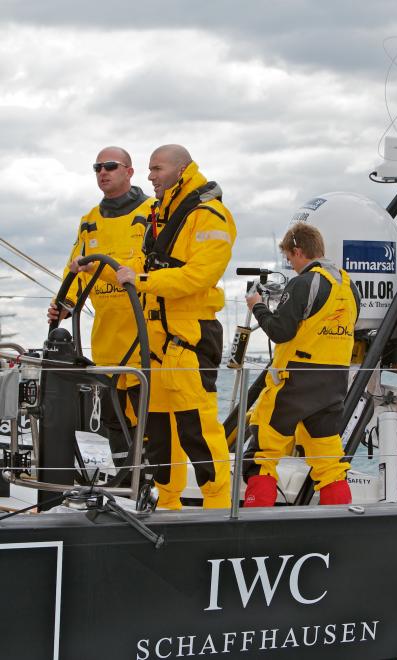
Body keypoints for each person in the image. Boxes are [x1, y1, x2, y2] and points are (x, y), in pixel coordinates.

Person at [116, 144, 236, 509]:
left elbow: (199, 277)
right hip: (155, 340)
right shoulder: (161, 215)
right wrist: (94, 268)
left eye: (156, 168)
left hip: (190, 335)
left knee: (196, 429)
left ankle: (219, 509)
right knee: (158, 431)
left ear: (181, 170)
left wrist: (144, 281)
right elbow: (136, 263)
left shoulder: (209, 216)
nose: (150, 176)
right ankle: (167, 505)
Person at [48, 146, 155, 473]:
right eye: (97, 167)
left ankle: (153, 481)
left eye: (110, 166)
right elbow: (76, 272)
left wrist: (99, 267)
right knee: (112, 419)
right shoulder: (89, 222)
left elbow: (147, 266)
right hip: (108, 340)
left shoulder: (152, 212)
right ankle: (125, 482)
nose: (102, 172)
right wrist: (64, 304)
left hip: (146, 339)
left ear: (129, 171)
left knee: (149, 421)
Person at [243, 222, 360, 506]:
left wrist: (258, 306)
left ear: (298, 251)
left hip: (293, 382)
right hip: (333, 383)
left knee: (262, 456)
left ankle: (252, 528)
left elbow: (280, 331)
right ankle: (340, 526)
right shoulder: (349, 286)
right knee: (330, 463)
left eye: (289, 258)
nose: (290, 266)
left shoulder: (305, 282)